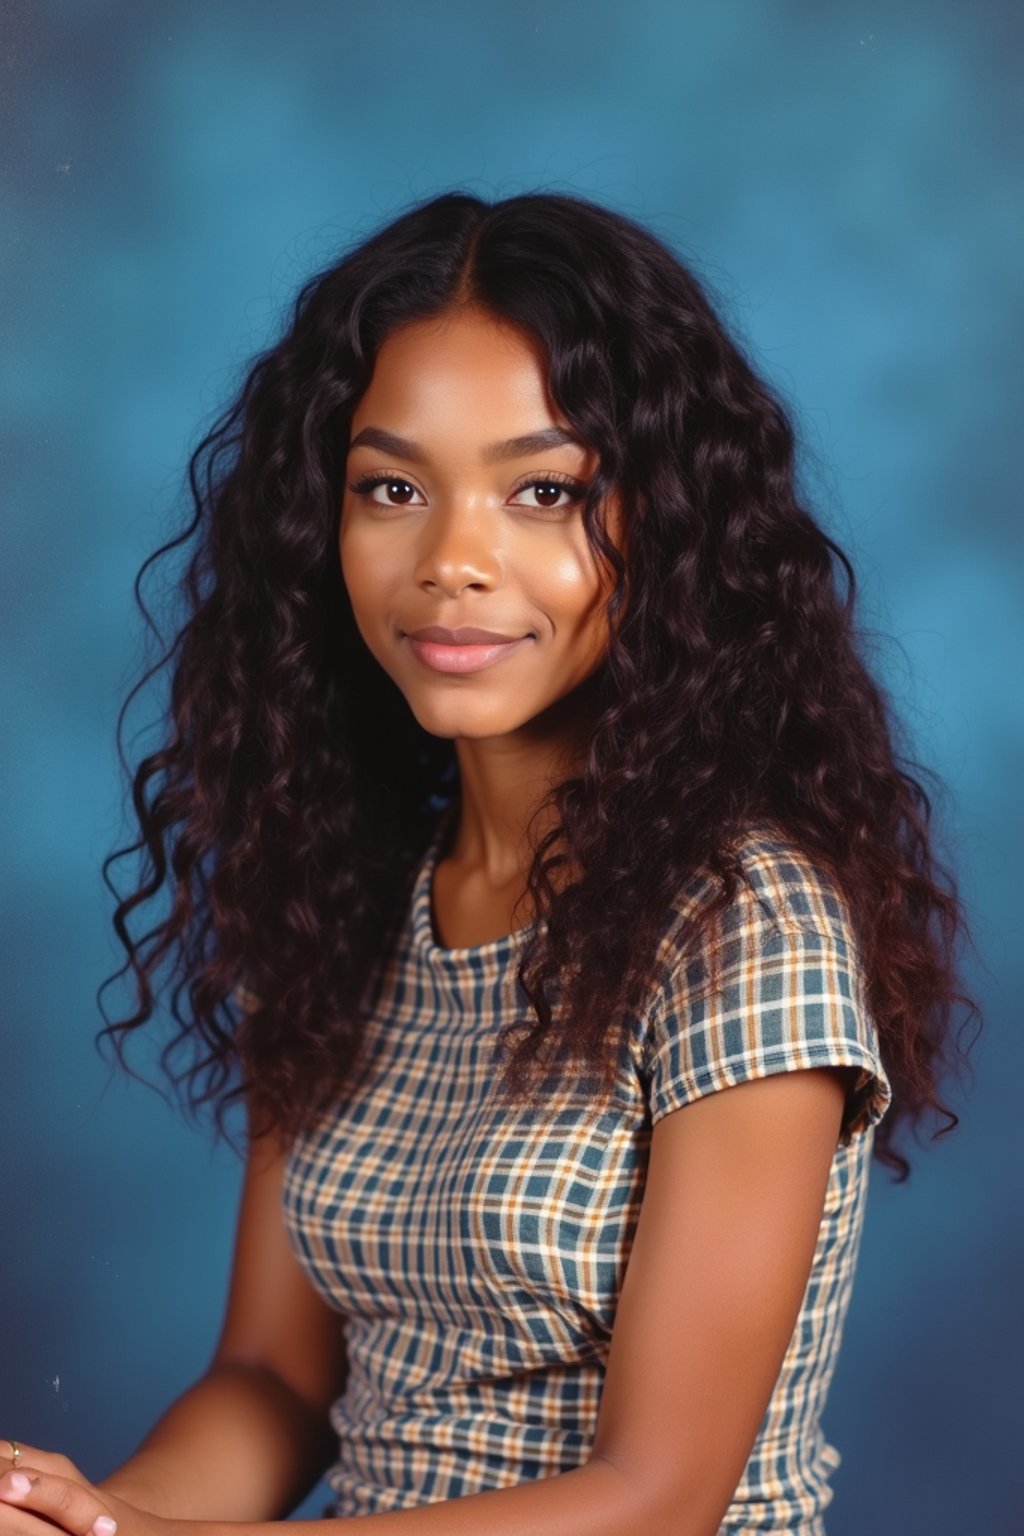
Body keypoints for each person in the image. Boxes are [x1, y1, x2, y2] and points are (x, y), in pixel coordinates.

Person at [0, 190, 978, 1536]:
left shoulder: (743, 924)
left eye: (544, 492)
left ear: (669, 534)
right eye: (391, 489)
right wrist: (89, 1518)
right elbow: (274, 1382)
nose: (453, 560)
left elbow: (656, 1498)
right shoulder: (351, 899)